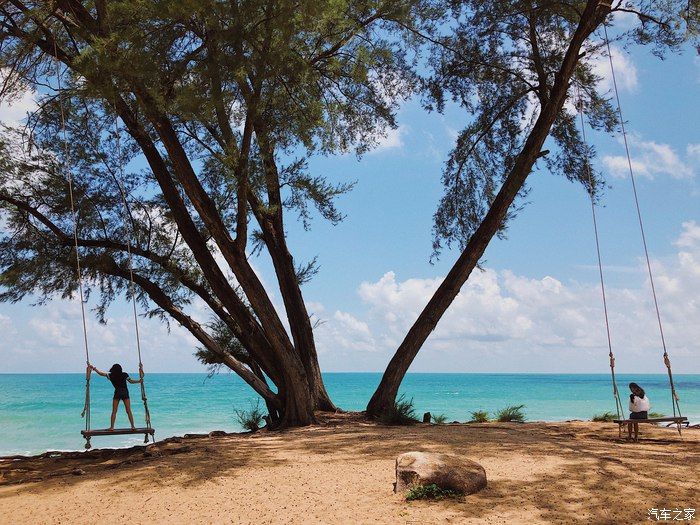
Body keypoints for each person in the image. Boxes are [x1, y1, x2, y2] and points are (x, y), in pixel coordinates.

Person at [90, 363, 143, 431]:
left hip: (117, 392)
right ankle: (133, 426)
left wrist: (94, 369)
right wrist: (139, 381)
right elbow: (131, 381)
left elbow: (101, 373)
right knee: (128, 410)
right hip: (125, 392)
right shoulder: (124, 374)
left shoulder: (111, 375)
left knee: (114, 411)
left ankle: (112, 427)